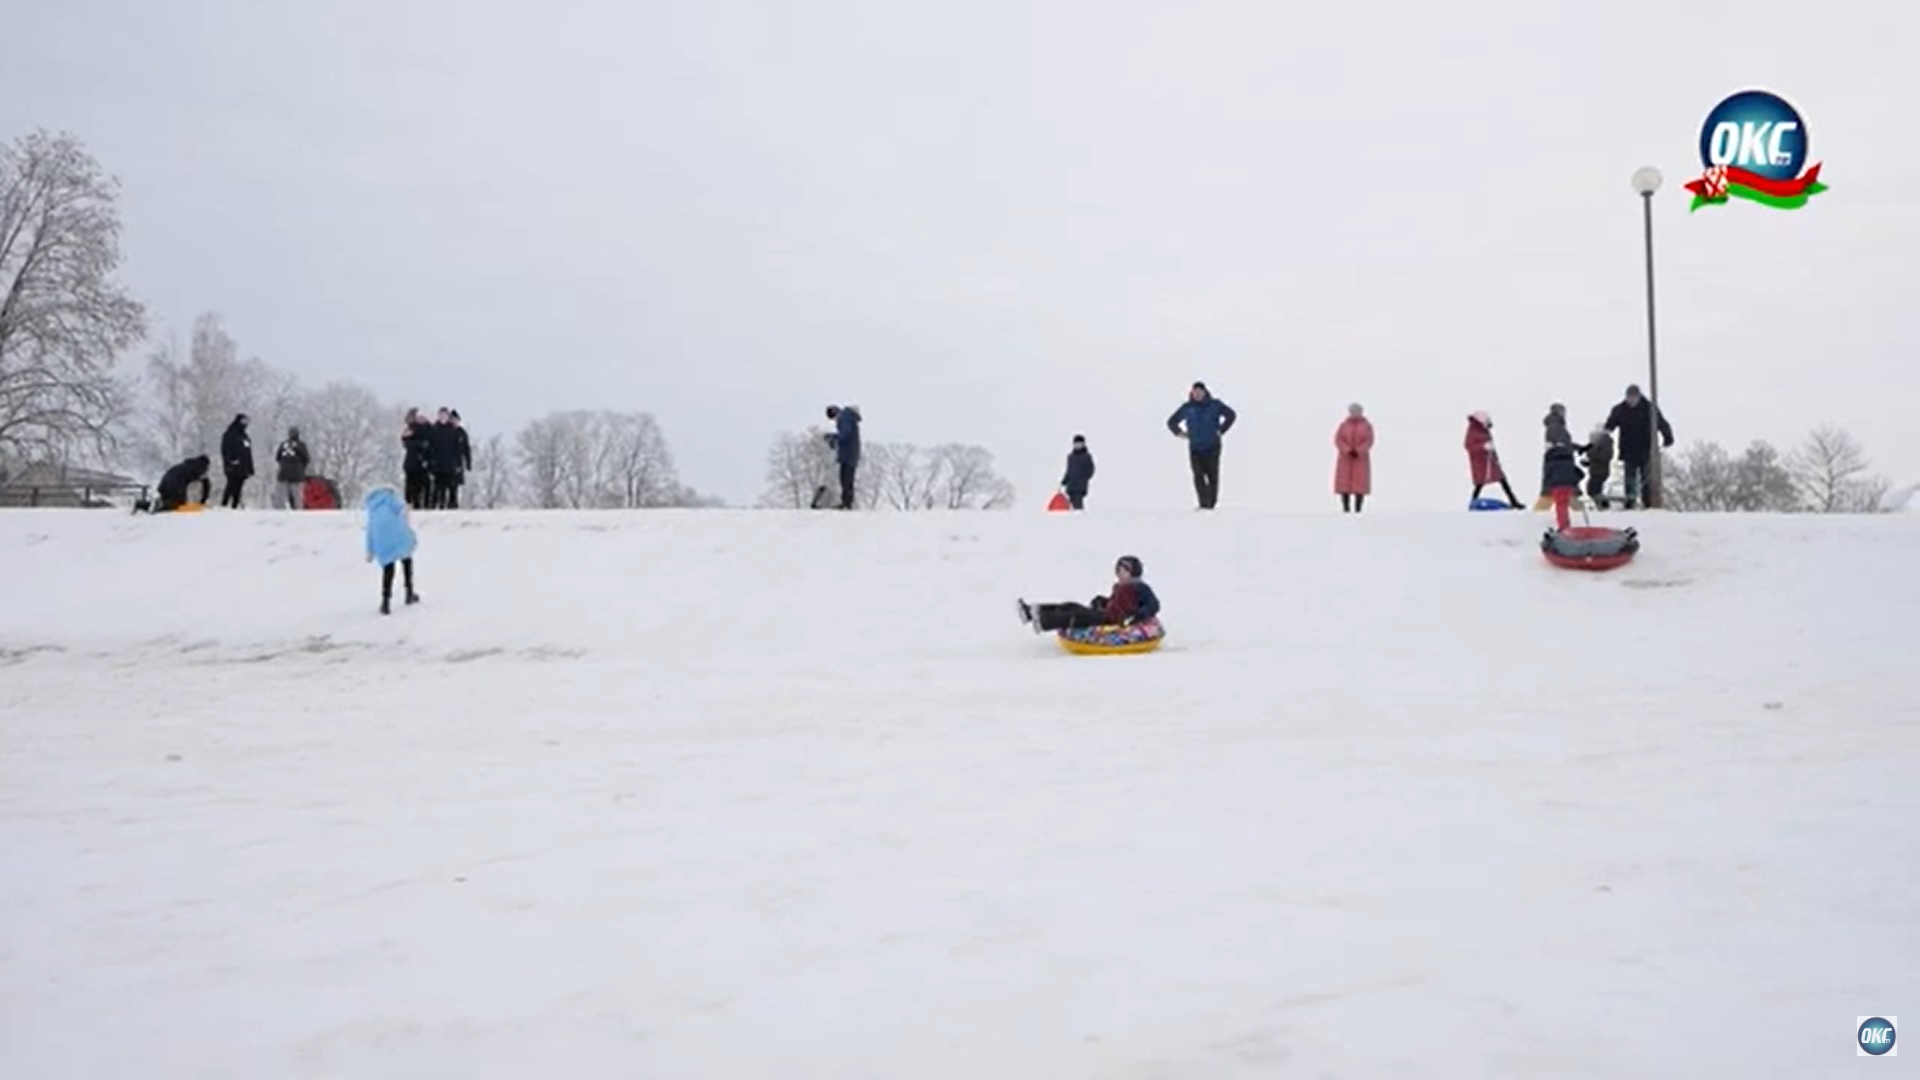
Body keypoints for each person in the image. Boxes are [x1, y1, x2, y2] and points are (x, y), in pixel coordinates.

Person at [1017, 555, 1160, 633]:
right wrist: (1103, 601)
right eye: (1118, 569)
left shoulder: (1140, 587)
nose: (1119, 573)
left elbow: (1153, 605)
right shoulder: (1120, 586)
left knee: (1078, 616)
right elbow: (1116, 603)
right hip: (1107, 614)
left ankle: (1044, 622)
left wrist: (1138, 615)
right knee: (1072, 606)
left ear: (1132, 572)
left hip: (1115, 620)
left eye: (1123, 570)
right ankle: (1033, 611)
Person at [1166, 381, 1236, 509]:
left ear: (1205, 392)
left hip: (1212, 446)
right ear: (1192, 393)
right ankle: (1203, 504)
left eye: (1200, 392)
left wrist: (1221, 430)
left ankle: (1211, 505)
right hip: (1195, 448)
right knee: (1198, 476)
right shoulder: (1188, 408)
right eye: (1195, 392)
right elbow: (1171, 422)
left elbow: (1231, 415)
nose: (1197, 394)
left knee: (1212, 476)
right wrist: (1179, 433)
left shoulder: (1215, 405)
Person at [1603, 384, 1674, 508]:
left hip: (1646, 449)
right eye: (1629, 398)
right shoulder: (1620, 409)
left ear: (1638, 397)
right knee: (1629, 479)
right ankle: (1630, 503)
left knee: (1646, 480)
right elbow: (1610, 425)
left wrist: (1668, 438)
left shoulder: (1649, 408)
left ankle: (1648, 504)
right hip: (1628, 450)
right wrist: (1604, 435)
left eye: (1633, 398)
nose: (1631, 401)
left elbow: (1662, 423)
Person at [363, 486, 420, 615]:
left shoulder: (372, 509)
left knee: (388, 569)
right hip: (398, 535)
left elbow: (370, 531)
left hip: (382, 540)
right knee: (406, 559)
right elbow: (403, 509)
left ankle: (385, 602)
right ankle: (409, 592)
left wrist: (370, 551)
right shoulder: (390, 498)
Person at [1465, 411, 1523, 507]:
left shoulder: (1484, 430)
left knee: (1502, 480)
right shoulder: (1473, 431)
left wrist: (1495, 458)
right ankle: (1473, 503)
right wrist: (1483, 446)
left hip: (1490, 462)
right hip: (1480, 463)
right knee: (1480, 483)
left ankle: (1514, 502)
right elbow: (1469, 446)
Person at [1333, 403, 1374, 512]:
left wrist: (1359, 451)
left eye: (1357, 411)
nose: (1355, 413)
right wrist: (1347, 450)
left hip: (1360, 459)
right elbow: (1338, 439)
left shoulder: (1367, 426)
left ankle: (1358, 508)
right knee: (1344, 483)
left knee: (1360, 483)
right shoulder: (1343, 425)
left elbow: (1369, 440)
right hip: (1345, 459)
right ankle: (1345, 507)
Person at [430, 408, 472, 509]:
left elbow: (465, 448)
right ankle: (438, 504)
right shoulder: (435, 429)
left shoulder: (458, 432)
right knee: (439, 487)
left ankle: (452, 505)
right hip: (439, 464)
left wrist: (467, 463)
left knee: (453, 487)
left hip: (454, 464)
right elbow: (432, 447)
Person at [824, 404, 862, 510]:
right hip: (851, 453)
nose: (834, 421)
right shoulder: (848, 417)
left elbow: (845, 434)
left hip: (848, 454)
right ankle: (846, 502)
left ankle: (846, 503)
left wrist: (833, 438)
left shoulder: (845, 417)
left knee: (846, 479)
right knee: (847, 479)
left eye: (833, 418)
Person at [401, 408, 434, 509]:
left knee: (425, 485)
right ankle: (411, 504)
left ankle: (426, 505)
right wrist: (418, 444)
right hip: (411, 462)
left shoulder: (430, 429)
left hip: (425, 462)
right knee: (411, 486)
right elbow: (405, 442)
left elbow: (432, 443)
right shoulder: (410, 428)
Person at [219, 413, 254, 508]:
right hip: (232, 466)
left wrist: (250, 468)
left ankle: (235, 505)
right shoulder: (229, 434)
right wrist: (230, 461)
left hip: (243, 467)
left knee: (239, 487)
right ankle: (224, 504)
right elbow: (225, 450)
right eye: (243, 421)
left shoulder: (245, 436)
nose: (245, 424)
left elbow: (248, 453)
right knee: (231, 485)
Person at [274, 426, 311, 509]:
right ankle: (298, 514)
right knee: (297, 498)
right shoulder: (301, 445)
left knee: (281, 497)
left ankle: (280, 513)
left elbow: (277, 458)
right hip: (297, 475)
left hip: (283, 474)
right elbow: (306, 459)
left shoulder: (283, 445)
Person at [1579, 425, 1615, 509]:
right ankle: (1601, 505)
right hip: (1598, 470)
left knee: (1593, 489)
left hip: (1600, 471)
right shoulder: (1603, 444)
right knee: (1593, 489)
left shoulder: (1605, 443)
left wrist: (1591, 455)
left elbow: (1605, 456)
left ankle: (1604, 505)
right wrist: (1588, 462)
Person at [1060, 434, 1095, 509]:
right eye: (1076, 444)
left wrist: (1083, 478)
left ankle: (1080, 518)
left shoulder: (1086, 456)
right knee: (1069, 506)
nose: (1077, 446)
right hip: (1070, 486)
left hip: (1080, 486)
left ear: (1083, 444)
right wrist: (1064, 480)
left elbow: (1091, 469)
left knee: (1078, 506)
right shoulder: (1071, 457)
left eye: (1079, 444)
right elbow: (1069, 470)